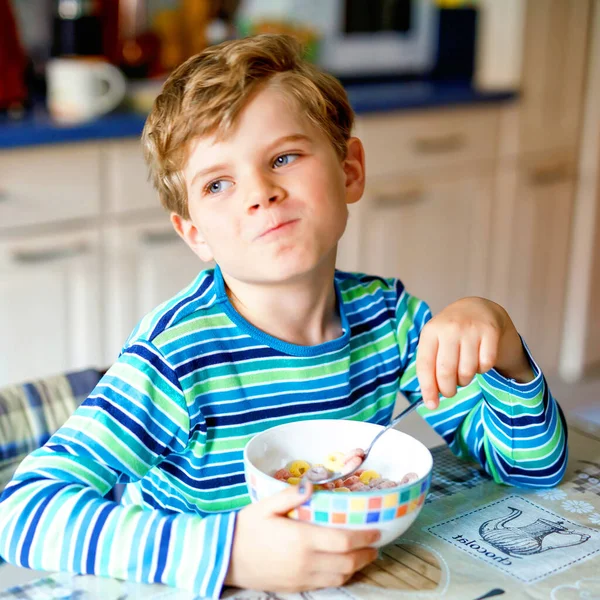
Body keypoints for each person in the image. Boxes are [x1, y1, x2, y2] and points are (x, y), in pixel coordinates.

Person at [0, 34, 567, 598]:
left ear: (349, 171)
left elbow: (529, 473)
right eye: (218, 183)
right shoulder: (175, 358)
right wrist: (230, 554)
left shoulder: (390, 320)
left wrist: (507, 356)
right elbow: (21, 514)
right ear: (195, 234)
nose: (261, 193)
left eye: (284, 157)